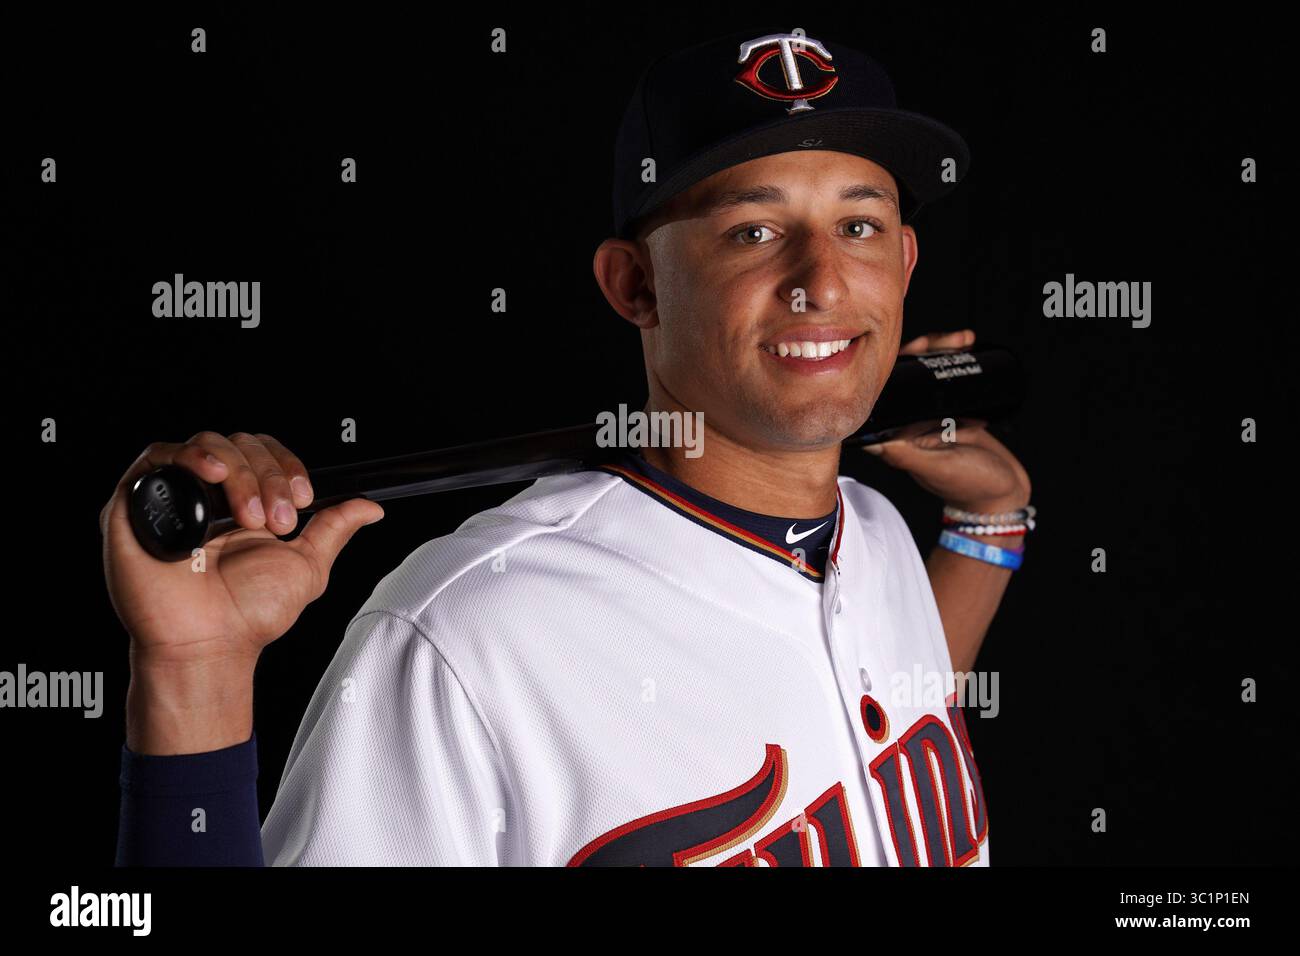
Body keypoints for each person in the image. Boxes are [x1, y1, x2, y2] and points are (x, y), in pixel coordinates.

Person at [106, 28, 1031, 866]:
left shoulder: (873, 534)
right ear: (635, 286)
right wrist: (196, 678)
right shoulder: (467, 633)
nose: (820, 283)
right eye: (754, 230)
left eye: (857, 225)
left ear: (903, 264)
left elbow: (850, 711)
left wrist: (992, 520)